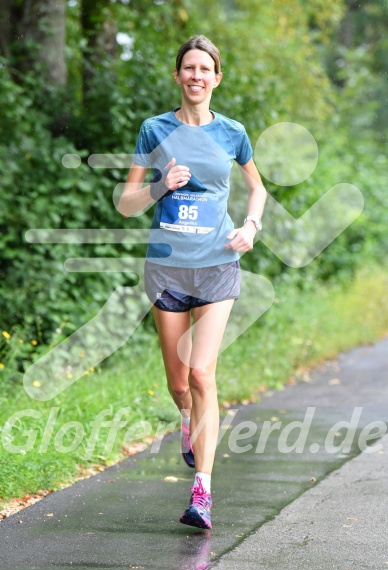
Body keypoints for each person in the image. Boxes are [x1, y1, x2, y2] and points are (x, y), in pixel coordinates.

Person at [118, 35, 267, 530]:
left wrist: (250, 227)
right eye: (189, 68)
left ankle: (201, 491)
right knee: (179, 383)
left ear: (217, 78)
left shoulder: (233, 132)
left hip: (217, 265)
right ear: (178, 76)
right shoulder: (154, 129)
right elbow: (126, 202)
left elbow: (257, 188)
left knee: (203, 374)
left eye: (206, 68)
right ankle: (186, 423)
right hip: (167, 269)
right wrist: (162, 184)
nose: (197, 76)